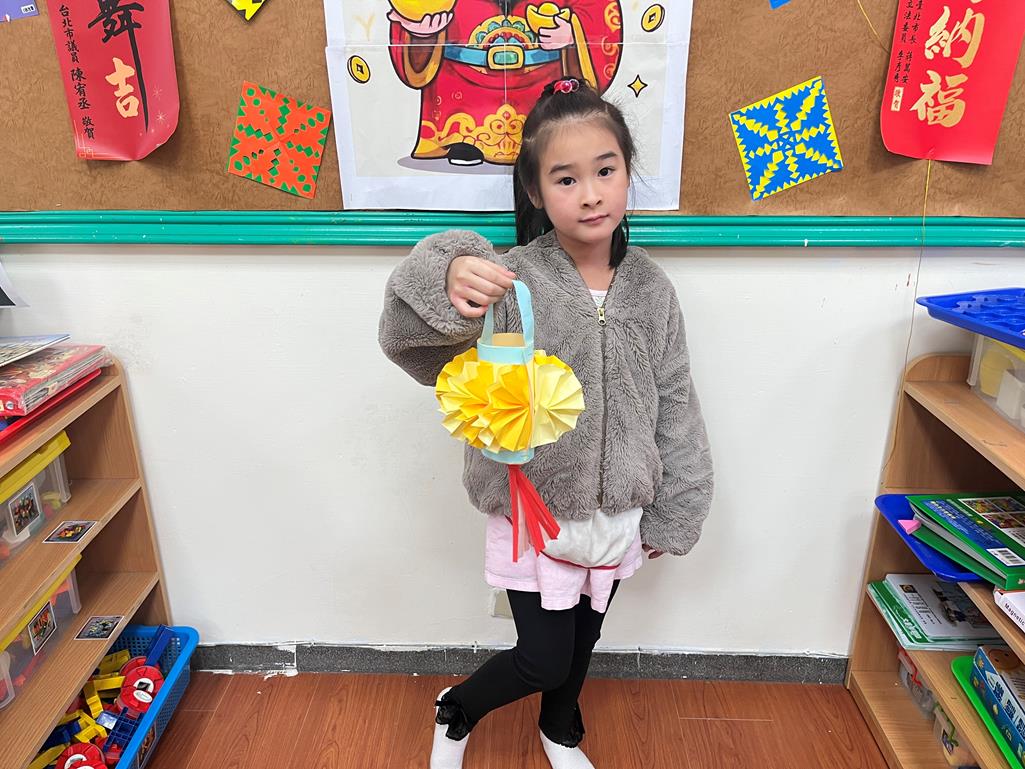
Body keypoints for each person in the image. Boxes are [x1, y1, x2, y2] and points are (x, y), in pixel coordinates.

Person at [379, 78, 713, 769]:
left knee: (583, 641)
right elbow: (412, 344)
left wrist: (675, 507)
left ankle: (560, 729)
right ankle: (457, 707)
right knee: (541, 656)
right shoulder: (510, 280)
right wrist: (448, 276)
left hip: (618, 511)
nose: (590, 194)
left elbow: (675, 401)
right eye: (566, 178)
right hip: (534, 511)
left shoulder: (652, 289)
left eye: (605, 170)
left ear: (627, 174)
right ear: (534, 191)